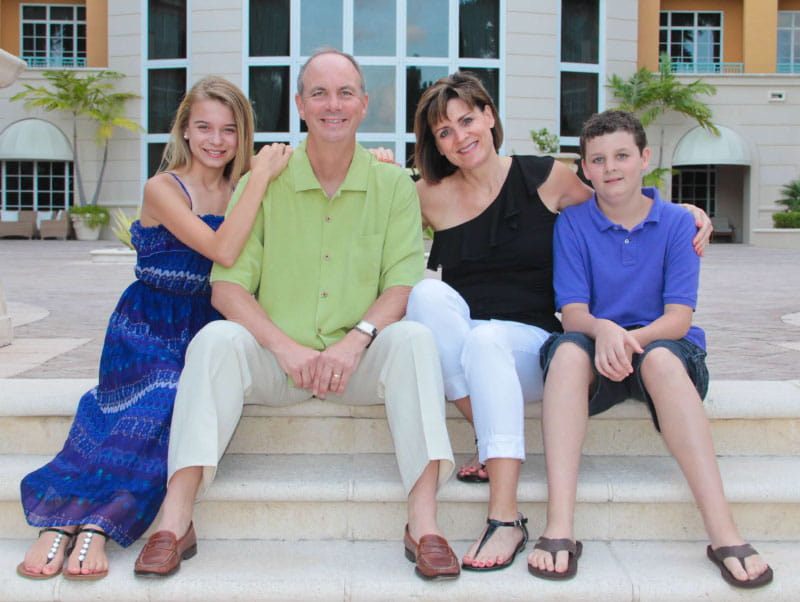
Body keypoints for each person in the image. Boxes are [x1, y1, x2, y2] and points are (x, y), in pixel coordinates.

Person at [133, 48, 460, 582]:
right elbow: (227, 289)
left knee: (416, 340)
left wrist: (354, 342)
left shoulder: (393, 185)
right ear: (300, 105)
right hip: (277, 363)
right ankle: (175, 520)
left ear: (364, 104)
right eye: (319, 93)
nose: (333, 105)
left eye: (345, 93)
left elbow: (402, 284)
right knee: (213, 341)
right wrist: (285, 349)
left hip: (356, 364)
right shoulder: (263, 182)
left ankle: (424, 525)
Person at [405, 72, 712, 572]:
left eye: (467, 120)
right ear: (435, 144)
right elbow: (371, 224)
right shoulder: (427, 195)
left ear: (489, 116)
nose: (460, 136)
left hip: (528, 346)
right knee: (425, 295)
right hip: (467, 354)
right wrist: (378, 167)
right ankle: (486, 430)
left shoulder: (545, 176)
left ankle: (505, 517)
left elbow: (617, 200)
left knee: (488, 339)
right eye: (444, 131)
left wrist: (679, 211)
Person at [17, 76, 292, 581]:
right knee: (162, 393)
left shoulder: (241, 188)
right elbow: (223, 249)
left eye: (229, 130)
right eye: (204, 127)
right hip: (147, 323)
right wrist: (258, 179)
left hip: (205, 324)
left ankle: (96, 524)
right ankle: (67, 519)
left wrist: (383, 161)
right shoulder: (163, 187)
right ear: (184, 129)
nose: (216, 140)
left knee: (182, 398)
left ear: (243, 134)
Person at [527, 110, 773, 589]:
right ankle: (559, 527)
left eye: (621, 155)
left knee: (660, 359)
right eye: (598, 159)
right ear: (585, 168)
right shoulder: (572, 224)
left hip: (663, 346)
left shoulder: (679, 223)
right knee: (566, 353)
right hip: (594, 344)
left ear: (644, 158)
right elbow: (573, 313)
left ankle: (724, 534)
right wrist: (604, 331)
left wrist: (629, 339)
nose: (610, 167)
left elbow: (679, 318)